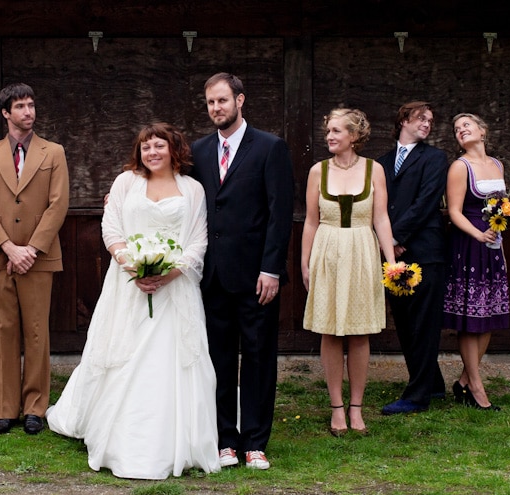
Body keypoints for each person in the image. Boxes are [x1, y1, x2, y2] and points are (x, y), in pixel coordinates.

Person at [46, 123, 220, 479]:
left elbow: (198, 240)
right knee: (122, 353)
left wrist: (168, 273)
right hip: (129, 285)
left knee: (168, 359)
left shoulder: (193, 189)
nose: (151, 153)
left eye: (159, 146)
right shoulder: (126, 182)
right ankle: (112, 430)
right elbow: (112, 229)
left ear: (174, 150)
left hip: (175, 289)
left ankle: (172, 440)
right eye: (145, 147)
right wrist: (136, 269)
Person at [189, 73, 294, 470]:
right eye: (210, 102)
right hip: (212, 277)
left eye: (222, 100)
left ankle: (254, 442)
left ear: (240, 100)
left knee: (257, 357)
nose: (216, 108)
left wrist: (271, 269)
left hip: (256, 278)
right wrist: (123, 190)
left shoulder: (270, 147)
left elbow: (279, 215)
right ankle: (224, 441)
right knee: (216, 360)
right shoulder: (199, 150)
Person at [0, 83, 69, 435]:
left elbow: (58, 205)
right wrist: (9, 248)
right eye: (20, 107)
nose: (28, 112)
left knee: (37, 332)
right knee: (3, 331)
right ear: (5, 113)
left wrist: (30, 249)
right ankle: (5, 408)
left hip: (39, 258)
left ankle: (35, 408)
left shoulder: (53, 152)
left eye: (31, 105)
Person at [302, 108, 397, 436]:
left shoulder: (375, 170)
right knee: (330, 330)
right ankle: (336, 408)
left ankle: (357, 408)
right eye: (328, 130)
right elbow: (311, 221)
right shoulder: (318, 171)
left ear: (355, 137)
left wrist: (391, 261)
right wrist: (306, 261)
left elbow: (381, 218)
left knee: (359, 331)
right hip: (327, 251)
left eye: (337, 131)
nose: (329, 136)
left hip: (361, 252)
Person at [376, 101, 450, 415]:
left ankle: (417, 396)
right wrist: (388, 245)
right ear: (404, 118)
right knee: (405, 322)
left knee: (425, 323)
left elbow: (425, 203)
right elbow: (379, 207)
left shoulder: (435, 158)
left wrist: (396, 237)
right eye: (422, 118)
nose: (428, 124)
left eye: (431, 121)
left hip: (425, 251)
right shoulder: (381, 162)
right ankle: (432, 384)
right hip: (393, 254)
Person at [442, 113, 507, 411]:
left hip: (493, 244)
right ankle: (477, 388)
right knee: (471, 319)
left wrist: (497, 232)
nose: (461, 130)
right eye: (457, 129)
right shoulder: (459, 167)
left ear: (483, 130)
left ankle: (466, 380)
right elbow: (454, 211)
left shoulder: (497, 165)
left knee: (489, 314)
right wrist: (478, 234)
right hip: (469, 244)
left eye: (466, 125)